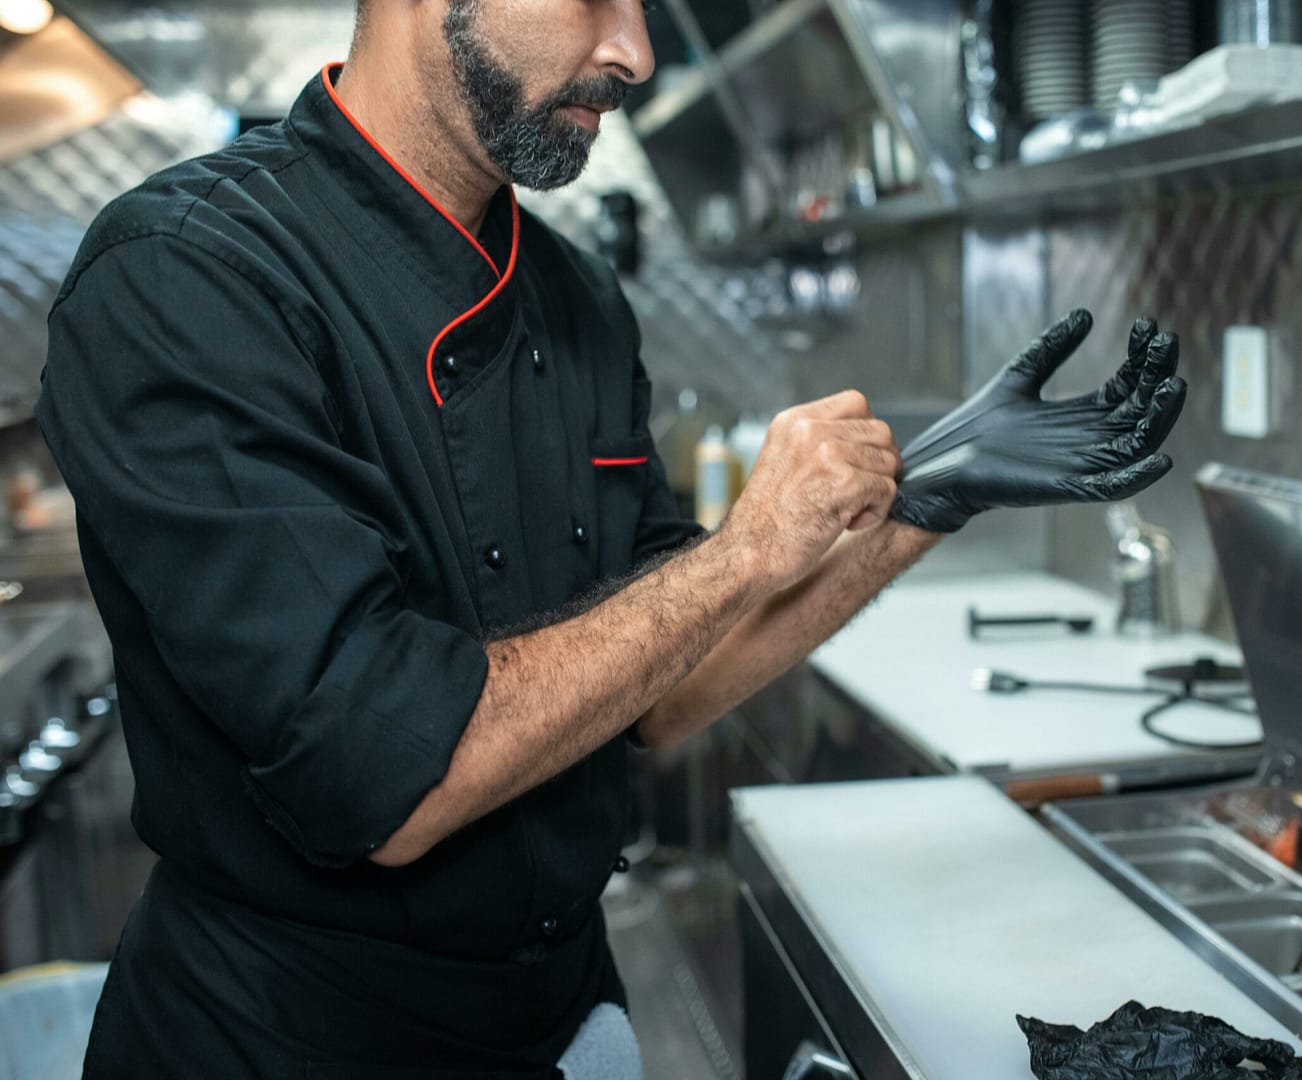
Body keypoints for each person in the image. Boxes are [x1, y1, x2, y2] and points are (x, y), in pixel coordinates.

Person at [35, 1, 1186, 1076]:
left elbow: (660, 685)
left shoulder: (577, 298)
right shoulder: (191, 275)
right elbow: (383, 781)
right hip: (287, 1037)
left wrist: (928, 501)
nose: (634, 50)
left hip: (556, 1018)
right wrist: (745, 546)